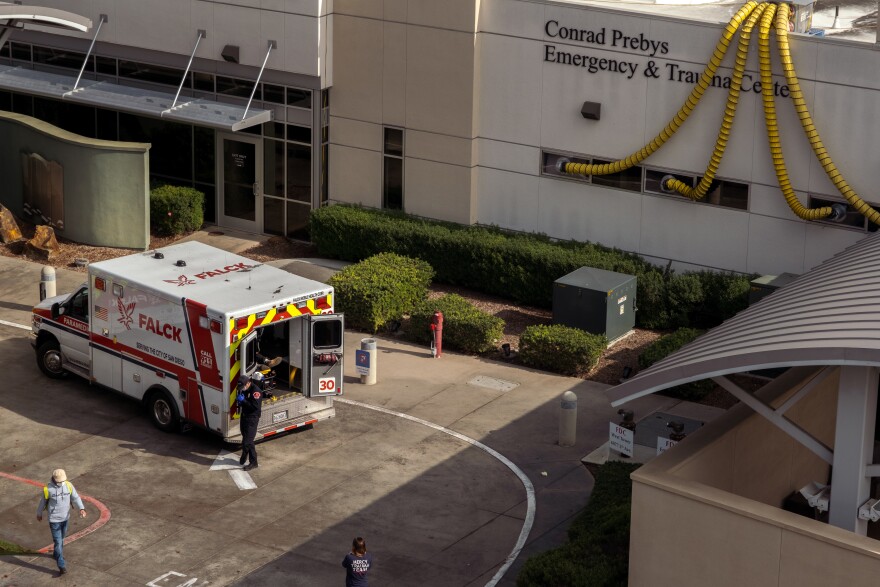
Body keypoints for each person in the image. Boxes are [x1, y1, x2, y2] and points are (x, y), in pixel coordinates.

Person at [35, 469, 87, 576]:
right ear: (54, 479)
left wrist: (81, 508)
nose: (61, 482)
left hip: (65, 518)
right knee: (58, 542)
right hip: (54, 520)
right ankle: (61, 565)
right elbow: (42, 502)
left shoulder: (68, 485)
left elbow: (76, 497)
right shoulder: (48, 489)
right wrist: (39, 513)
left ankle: (56, 554)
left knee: (61, 539)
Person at [237, 373, 271, 471]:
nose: (241, 389)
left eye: (242, 386)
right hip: (244, 416)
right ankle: (245, 454)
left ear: (248, 383)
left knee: (248, 441)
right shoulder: (246, 389)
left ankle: (253, 461)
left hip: (252, 418)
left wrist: (243, 401)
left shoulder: (256, 391)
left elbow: (254, 407)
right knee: (245, 437)